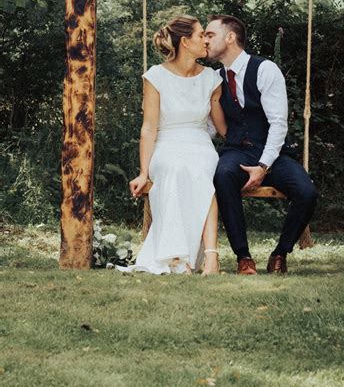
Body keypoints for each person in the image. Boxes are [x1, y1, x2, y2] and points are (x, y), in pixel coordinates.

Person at [205, 14, 318, 275]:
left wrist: (263, 166)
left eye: (210, 35)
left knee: (306, 192)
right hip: (237, 150)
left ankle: (280, 253)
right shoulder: (215, 78)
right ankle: (243, 257)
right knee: (223, 175)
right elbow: (211, 126)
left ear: (230, 37)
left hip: (273, 153)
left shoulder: (265, 69)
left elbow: (278, 123)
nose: (205, 40)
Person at [115, 15, 226, 276]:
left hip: (199, 143)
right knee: (174, 168)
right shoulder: (156, 76)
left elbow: (222, 128)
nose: (206, 40)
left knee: (201, 170)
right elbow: (149, 128)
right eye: (201, 35)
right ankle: (178, 256)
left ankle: (211, 257)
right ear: (185, 42)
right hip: (166, 143)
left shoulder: (212, 79)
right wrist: (143, 172)